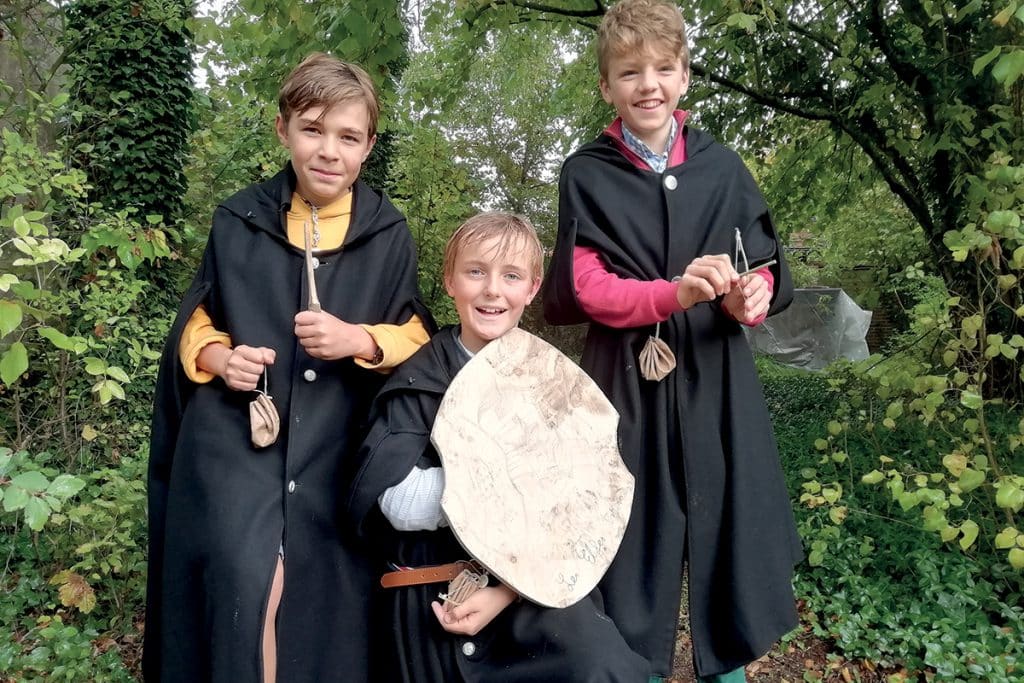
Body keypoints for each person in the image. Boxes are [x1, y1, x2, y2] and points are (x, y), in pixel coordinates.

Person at [145, 53, 432, 682]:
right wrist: (223, 359)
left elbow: (418, 337)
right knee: (248, 582)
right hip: (235, 445)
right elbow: (196, 322)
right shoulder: (238, 221)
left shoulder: (388, 234)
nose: (328, 151)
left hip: (336, 448)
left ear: (368, 147)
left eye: (347, 137)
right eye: (312, 129)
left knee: (319, 599)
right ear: (283, 130)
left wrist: (358, 337)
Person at [542, 1, 804, 681]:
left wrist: (752, 297)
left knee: (729, 548)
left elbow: (763, 263)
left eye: (663, 68)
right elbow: (583, 285)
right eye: (629, 72)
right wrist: (671, 293)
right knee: (629, 550)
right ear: (606, 86)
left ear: (686, 76)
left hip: (717, 383)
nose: (648, 84)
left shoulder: (723, 166)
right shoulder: (587, 173)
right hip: (623, 389)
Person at [345, 213, 649, 682]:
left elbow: (586, 508)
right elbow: (400, 502)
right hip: (440, 592)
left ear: (531, 289)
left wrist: (509, 588)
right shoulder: (419, 376)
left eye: (511, 276)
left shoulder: (553, 383)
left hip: (531, 589)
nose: (492, 290)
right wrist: (520, 479)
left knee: (601, 666)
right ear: (450, 280)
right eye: (475, 271)